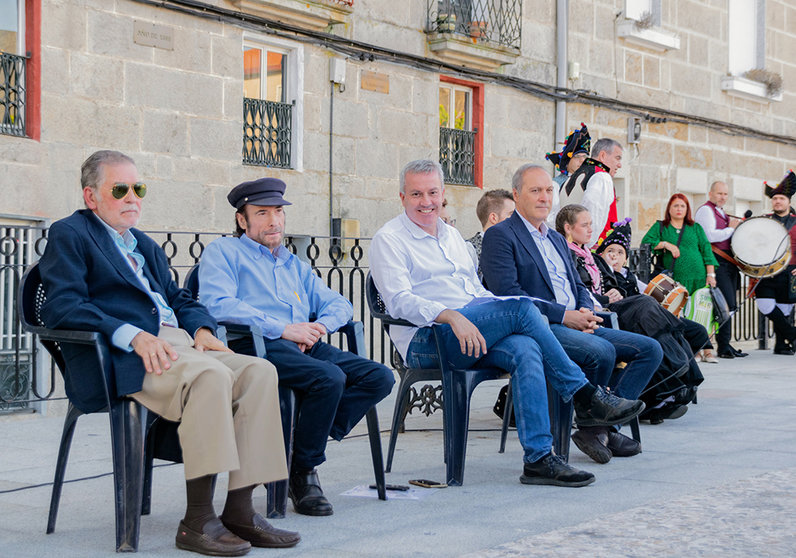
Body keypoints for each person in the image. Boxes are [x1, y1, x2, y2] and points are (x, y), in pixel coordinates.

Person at [38, 151, 300, 556]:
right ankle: (197, 520)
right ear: (91, 197)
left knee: (259, 371)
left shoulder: (141, 243)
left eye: (137, 188)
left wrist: (201, 327)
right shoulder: (70, 233)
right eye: (120, 189)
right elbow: (62, 305)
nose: (132, 198)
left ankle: (240, 509)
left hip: (177, 343)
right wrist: (130, 335)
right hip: (125, 355)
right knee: (210, 377)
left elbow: (178, 297)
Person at [371, 159, 646, 487]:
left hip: (474, 329)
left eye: (432, 192)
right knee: (522, 309)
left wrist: (495, 310)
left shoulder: (452, 237)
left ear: (443, 194)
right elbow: (399, 300)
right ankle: (585, 395)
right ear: (402, 197)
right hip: (428, 338)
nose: (426, 201)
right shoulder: (389, 239)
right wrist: (450, 316)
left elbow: (476, 291)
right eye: (416, 194)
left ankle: (539, 459)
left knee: (526, 346)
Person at [198, 178, 395, 516]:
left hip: (303, 345)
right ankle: (303, 471)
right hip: (254, 345)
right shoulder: (224, 252)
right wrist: (284, 329)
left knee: (380, 377)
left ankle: (297, 444)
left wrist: (318, 327)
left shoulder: (294, 264)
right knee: (329, 379)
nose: (274, 221)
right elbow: (217, 304)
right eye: (262, 213)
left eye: (278, 212)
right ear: (242, 220)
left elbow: (340, 304)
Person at [480, 166, 661, 464]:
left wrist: (585, 310)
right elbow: (509, 294)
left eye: (548, 191)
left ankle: (599, 427)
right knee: (601, 351)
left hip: (577, 320)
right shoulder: (501, 236)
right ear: (516, 194)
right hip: (541, 326)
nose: (544, 197)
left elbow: (576, 283)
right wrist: (565, 316)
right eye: (535, 191)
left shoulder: (555, 238)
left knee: (650, 349)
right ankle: (589, 424)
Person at [571, 213, 706, 424]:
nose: (614, 255)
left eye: (620, 251)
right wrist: (606, 294)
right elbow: (583, 292)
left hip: (642, 317)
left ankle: (680, 380)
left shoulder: (617, 269)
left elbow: (652, 291)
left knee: (688, 328)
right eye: (610, 250)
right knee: (647, 310)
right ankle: (672, 382)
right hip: (615, 316)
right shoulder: (593, 263)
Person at [641, 193, 720, 362]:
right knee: (682, 315)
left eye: (682, 206)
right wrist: (665, 244)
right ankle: (693, 350)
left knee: (702, 313)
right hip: (675, 280)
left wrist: (710, 274)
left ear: (687, 210)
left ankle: (707, 350)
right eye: (675, 206)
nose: (679, 209)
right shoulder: (662, 227)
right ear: (669, 208)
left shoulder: (695, 227)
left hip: (698, 277)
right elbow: (647, 242)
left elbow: (706, 250)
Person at [694, 181, 748, 359]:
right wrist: (730, 229)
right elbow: (709, 235)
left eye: (725, 194)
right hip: (716, 262)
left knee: (729, 305)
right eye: (719, 194)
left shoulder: (721, 212)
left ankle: (725, 345)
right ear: (710, 194)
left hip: (728, 263)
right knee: (723, 304)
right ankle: (721, 345)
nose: (722, 197)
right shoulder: (705, 210)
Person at [755, 171, 796, 355]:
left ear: (789, 201)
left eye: (781, 198)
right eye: (775, 198)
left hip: (790, 272)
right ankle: (793, 335)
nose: (777, 201)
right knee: (765, 304)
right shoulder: (764, 221)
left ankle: (781, 345)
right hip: (767, 271)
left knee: (784, 310)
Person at [554, 137, 623, 247]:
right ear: (603, 155)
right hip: (590, 250)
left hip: (566, 244)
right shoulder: (601, 176)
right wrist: (587, 248)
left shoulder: (573, 176)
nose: (619, 165)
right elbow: (593, 209)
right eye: (617, 158)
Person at [545, 123, 590, 227]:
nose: (582, 160)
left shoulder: (589, 182)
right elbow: (550, 217)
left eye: (585, 157)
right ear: (567, 162)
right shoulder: (555, 185)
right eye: (577, 156)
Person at [465, 188, 515, 273]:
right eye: (511, 214)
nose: (516, 220)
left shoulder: (513, 247)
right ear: (494, 218)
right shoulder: (469, 249)